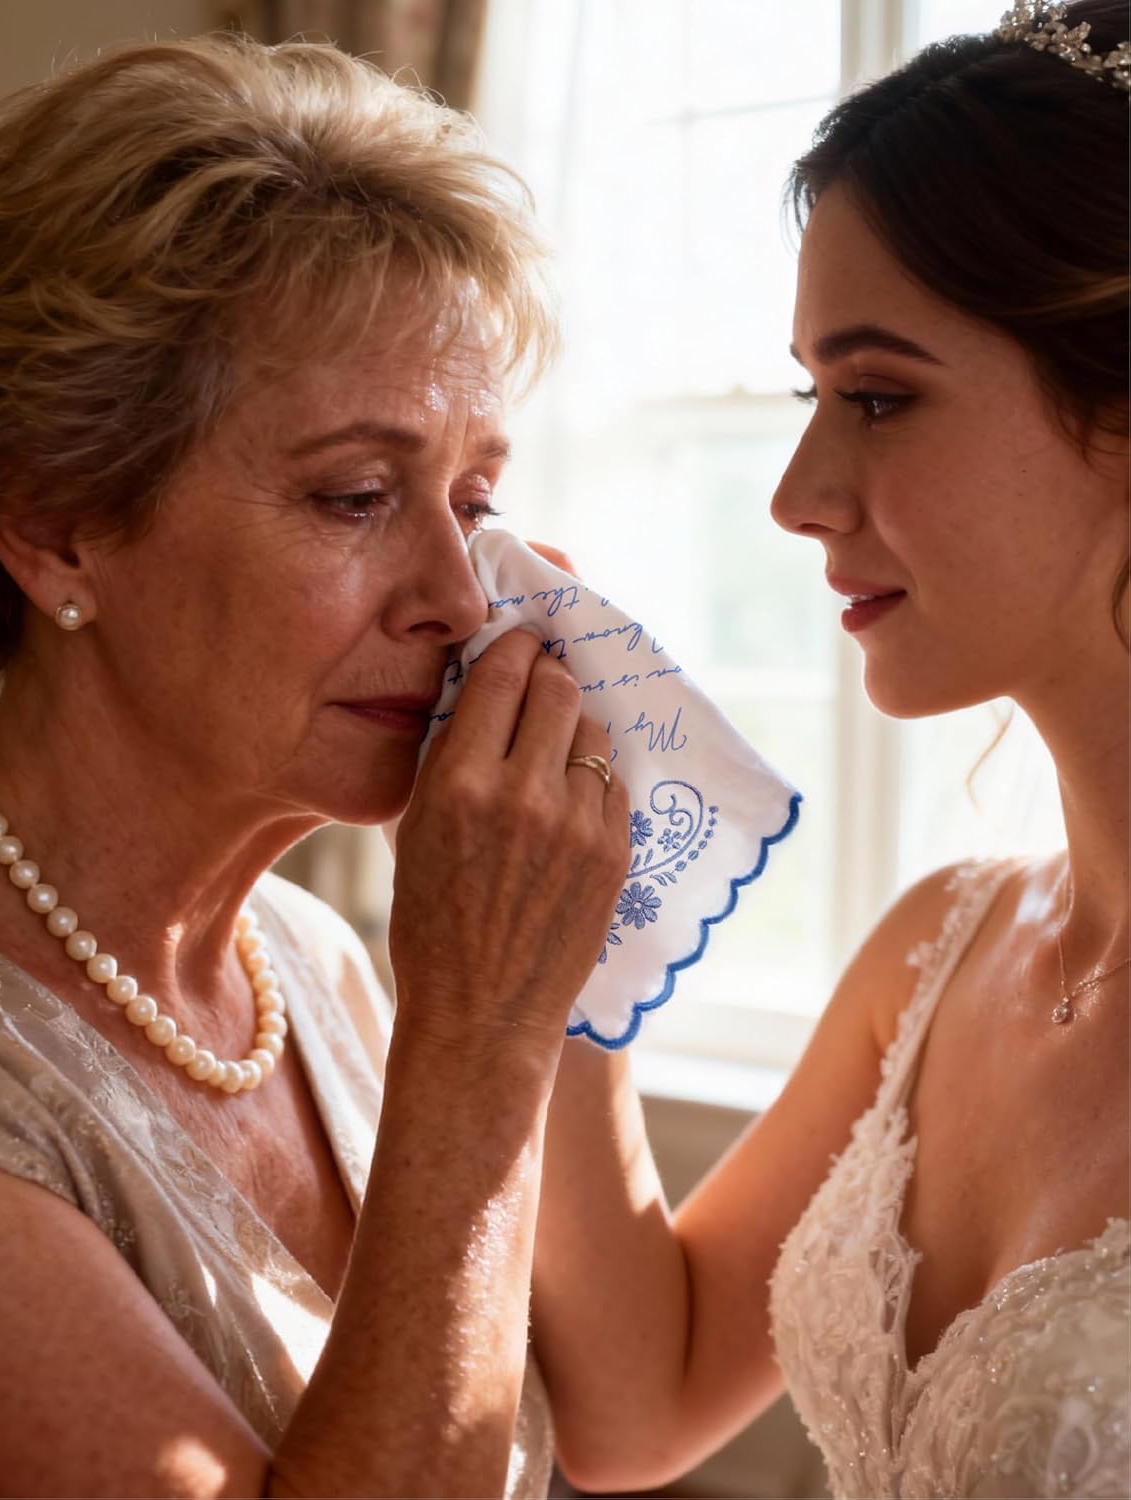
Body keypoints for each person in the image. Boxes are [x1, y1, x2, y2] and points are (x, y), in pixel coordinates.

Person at [0, 34, 632, 1498]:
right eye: (359, 496)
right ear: (54, 522)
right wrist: (484, 1043)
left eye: (478, 497)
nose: (460, 591)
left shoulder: (318, 961)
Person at [526, 3, 1130, 1495]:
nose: (798, 493)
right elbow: (636, 1403)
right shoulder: (938, 950)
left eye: (878, 397)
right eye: (812, 396)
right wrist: (553, 937)